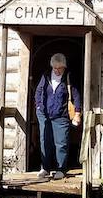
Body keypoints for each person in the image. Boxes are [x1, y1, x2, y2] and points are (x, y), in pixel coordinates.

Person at [34, 52, 82, 180]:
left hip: (61, 115)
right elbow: (38, 92)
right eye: (55, 68)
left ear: (64, 67)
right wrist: (39, 106)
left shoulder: (69, 77)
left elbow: (76, 96)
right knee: (45, 141)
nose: (57, 71)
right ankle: (45, 168)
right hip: (44, 114)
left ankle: (61, 169)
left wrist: (77, 113)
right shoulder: (46, 76)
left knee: (61, 143)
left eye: (60, 68)